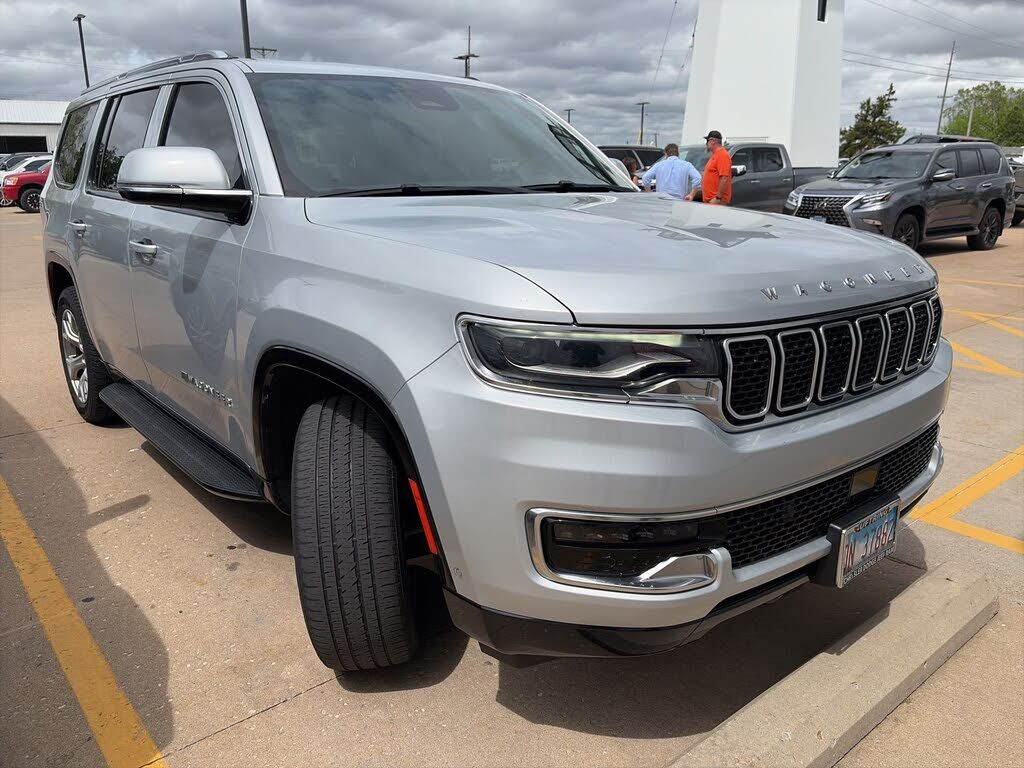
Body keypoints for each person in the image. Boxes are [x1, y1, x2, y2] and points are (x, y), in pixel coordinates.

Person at [699, 130, 732, 205]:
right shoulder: (715, 155)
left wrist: (718, 198)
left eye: (707, 141)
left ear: (712, 141)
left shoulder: (722, 155)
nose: (706, 144)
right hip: (710, 201)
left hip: (716, 201)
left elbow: (724, 178)